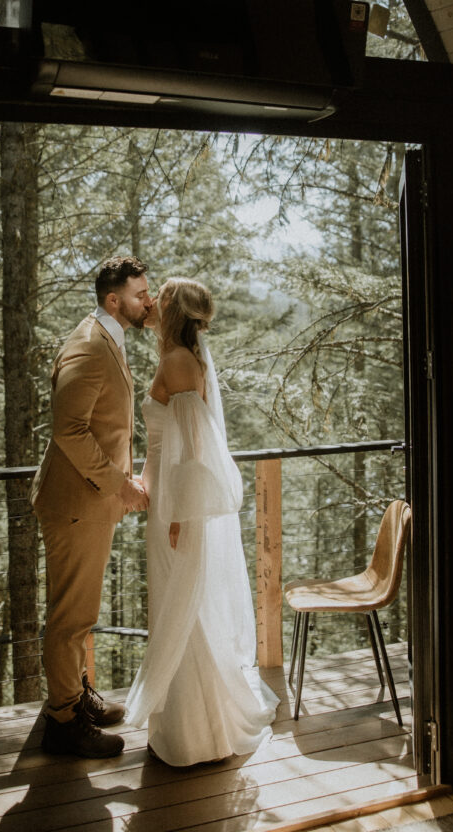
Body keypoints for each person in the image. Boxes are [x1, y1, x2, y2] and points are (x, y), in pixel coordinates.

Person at [126, 277, 278, 766]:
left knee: (183, 607)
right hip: (165, 498)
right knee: (178, 606)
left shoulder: (177, 362)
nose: (153, 301)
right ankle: (183, 724)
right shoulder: (176, 355)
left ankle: (195, 733)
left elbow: (194, 451)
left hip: (178, 507)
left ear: (172, 309)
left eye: (160, 296)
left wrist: (180, 517)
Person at [31, 255, 152, 759]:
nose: (149, 300)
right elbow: (70, 430)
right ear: (113, 300)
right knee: (71, 615)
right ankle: (63, 721)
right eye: (141, 294)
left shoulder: (107, 338)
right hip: (77, 500)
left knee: (79, 611)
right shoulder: (88, 345)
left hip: (88, 499)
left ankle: (73, 697)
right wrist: (119, 485)